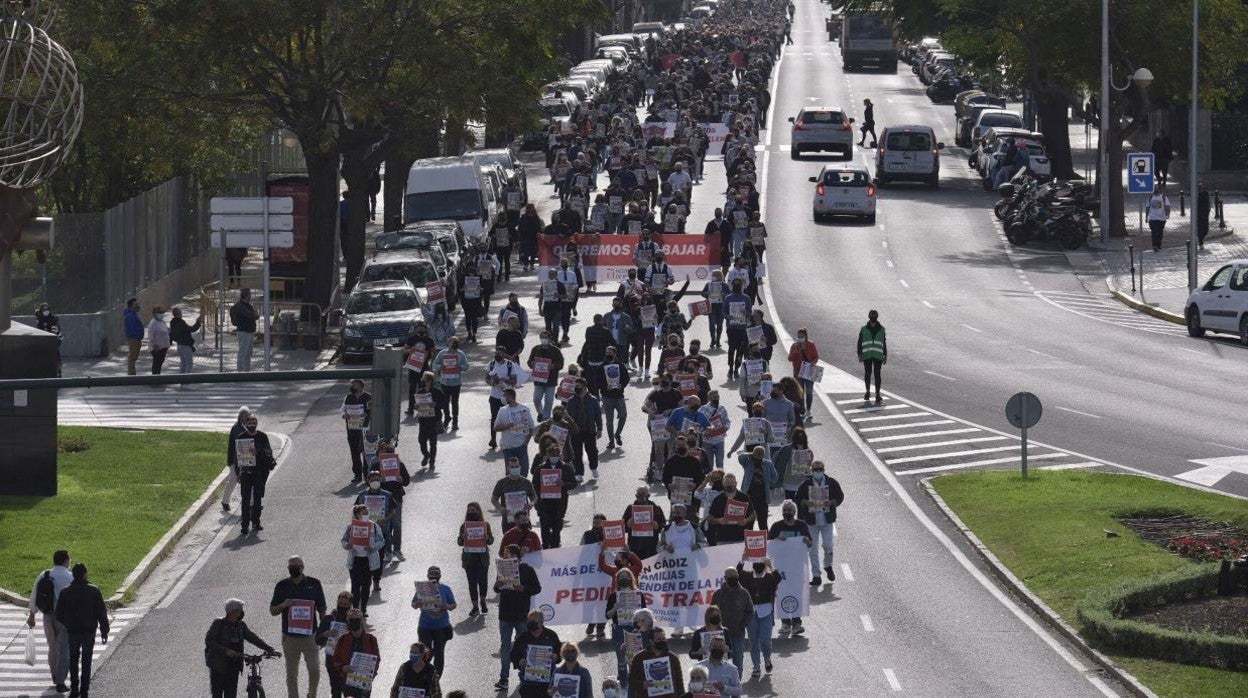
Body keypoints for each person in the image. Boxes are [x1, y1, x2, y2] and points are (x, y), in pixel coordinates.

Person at [269, 555, 327, 698]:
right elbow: (272, 610)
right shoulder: (282, 585)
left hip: (310, 636)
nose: (293, 569)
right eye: (290, 567)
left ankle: (311, 694)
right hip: (290, 637)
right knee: (291, 674)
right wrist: (284, 605)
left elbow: (322, 608)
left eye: (295, 566)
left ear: (302, 567)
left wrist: (323, 629)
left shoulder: (314, 583)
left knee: (314, 669)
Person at [205, 598, 278, 698]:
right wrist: (226, 651)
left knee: (231, 694)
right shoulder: (218, 623)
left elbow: (253, 638)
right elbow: (209, 641)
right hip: (219, 665)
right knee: (217, 693)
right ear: (232, 612)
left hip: (234, 664)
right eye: (239, 610)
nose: (241, 613)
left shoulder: (241, 625)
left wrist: (270, 649)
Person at [26, 550, 73, 694]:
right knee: (64, 649)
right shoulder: (69, 577)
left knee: (52, 647)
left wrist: (32, 616)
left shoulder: (45, 575)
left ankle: (54, 675)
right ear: (66, 561)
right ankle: (60, 682)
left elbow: (34, 595)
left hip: (47, 616)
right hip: (64, 619)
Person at [795, 460, 845, 586]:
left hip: (827, 520)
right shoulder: (806, 484)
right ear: (812, 470)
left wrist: (832, 502)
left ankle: (828, 566)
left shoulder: (831, 482)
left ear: (823, 469)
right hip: (812, 521)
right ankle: (816, 575)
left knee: (828, 546)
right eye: (815, 469)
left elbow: (840, 496)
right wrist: (806, 503)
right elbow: (798, 498)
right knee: (812, 548)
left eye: (820, 469)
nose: (818, 472)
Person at [768, 500, 812, 637]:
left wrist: (806, 541)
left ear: (794, 512)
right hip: (781, 568)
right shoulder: (776, 526)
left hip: (798, 566)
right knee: (781, 593)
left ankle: (797, 622)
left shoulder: (802, 525)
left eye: (790, 510)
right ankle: (785, 622)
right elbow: (769, 546)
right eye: (785, 510)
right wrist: (777, 541)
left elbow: (809, 543)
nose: (787, 512)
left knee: (797, 593)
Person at [737, 557, 780, 679]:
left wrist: (771, 565)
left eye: (761, 564)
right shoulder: (747, 576)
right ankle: (756, 665)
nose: (758, 566)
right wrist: (743, 559)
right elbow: (737, 573)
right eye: (756, 564)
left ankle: (767, 659)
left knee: (765, 640)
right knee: (753, 641)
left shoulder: (770, 577)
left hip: (766, 612)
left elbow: (779, 578)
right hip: (751, 613)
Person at [340, 504, 386, 617]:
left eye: (367, 513)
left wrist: (373, 547)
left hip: (368, 560)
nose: (366, 515)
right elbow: (344, 540)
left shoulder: (374, 526)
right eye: (363, 513)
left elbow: (382, 541)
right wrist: (347, 545)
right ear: (357, 514)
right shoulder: (351, 526)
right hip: (355, 559)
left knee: (366, 585)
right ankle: (355, 610)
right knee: (355, 586)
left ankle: (363, 609)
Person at [235, 412, 277, 535]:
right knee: (246, 500)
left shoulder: (262, 436)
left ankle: (256, 522)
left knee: (258, 499)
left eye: (253, 423)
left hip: (259, 472)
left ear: (257, 424)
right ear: (245, 424)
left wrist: (257, 450)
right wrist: (238, 472)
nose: (251, 425)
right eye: (249, 423)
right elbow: (236, 457)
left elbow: (268, 451)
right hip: (246, 473)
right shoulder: (241, 437)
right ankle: (244, 525)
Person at [413, 566, 457, 676]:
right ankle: (423, 676)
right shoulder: (422, 589)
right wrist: (418, 604)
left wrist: (445, 606)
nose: (434, 578)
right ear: (427, 577)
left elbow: (453, 605)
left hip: (441, 627)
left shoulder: (445, 589)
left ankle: (436, 678)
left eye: (436, 576)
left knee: (439, 654)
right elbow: (413, 604)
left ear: (440, 577)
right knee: (425, 653)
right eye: (431, 576)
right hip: (425, 627)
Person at [532, 442, 578, 547]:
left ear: (560, 455)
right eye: (552, 455)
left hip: (559, 503)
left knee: (557, 527)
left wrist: (563, 484)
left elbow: (574, 483)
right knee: (545, 526)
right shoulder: (540, 468)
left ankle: (555, 545)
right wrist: (540, 495)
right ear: (547, 455)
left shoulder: (566, 467)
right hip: (544, 503)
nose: (554, 457)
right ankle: (545, 545)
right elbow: (534, 486)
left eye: (556, 455)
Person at [372, 440, 411, 560]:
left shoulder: (400, 464)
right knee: (385, 526)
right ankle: (388, 551)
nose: (387, 454)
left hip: (396, 497)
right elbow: (370, 483)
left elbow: (407, 481)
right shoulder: (375, 466)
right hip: (382, 499)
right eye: (385, 451)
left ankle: (397, 550)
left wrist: (401, 479)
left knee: (397, 524)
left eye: (390, 452)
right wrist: (379, 481)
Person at [510, 609, 562, 698]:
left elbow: (560, 652)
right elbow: (513, 654)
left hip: (548, 682)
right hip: (528, 683)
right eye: (529, 621)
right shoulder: (523, 637)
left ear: (541, 622)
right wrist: (519, 661)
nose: (530, 624)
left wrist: (556, 656)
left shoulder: (551, 635)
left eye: (533, 622)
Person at [331, 608, 379, 698]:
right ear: (348, 621)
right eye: (351, 620)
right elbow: (336, 658)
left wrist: (372, 674)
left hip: (364, 681)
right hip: (347, 681)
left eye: (357, 620)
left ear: (361, 621)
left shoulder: (371, 639)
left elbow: (376, 659)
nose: (354, 622)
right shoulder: (342, 639)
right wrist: (342, 668)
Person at [457, 502, 495, 617]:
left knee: (483, 582)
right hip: (469, 559)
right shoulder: (464, 526)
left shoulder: (485, 525)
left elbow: (491, 541)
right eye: (469, 510)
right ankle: (475, 606)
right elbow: (459, 542)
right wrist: (462, 537)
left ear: (478, 511)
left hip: (482, 558)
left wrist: (487, 537)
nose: (471, 512)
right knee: (472, 583)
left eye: (473, 510)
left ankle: (483, 601)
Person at [315, 591, 353, 698]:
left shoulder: (353, 620)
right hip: (331, 660)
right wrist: (324, 634)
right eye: (340, 603)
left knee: (348, 690)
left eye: (345, 605)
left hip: (347, 660)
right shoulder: (328, 619)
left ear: (350, 605)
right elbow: (316, 640)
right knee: (335, 690)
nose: (342, 606)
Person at [628, 627, 684, 698]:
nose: (662, 641)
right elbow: (631, 680)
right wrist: (642, 684)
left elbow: (679, 682)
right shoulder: (639, 658)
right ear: (651, 641)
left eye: (663, 639)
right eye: (658, 640)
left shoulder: (673, 658)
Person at [493, 387, 535, 475]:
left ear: (511, 396)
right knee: (510, 474)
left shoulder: (524, 409)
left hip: (521, 446)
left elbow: (531, 427)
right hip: (508, 447)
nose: (502, 397)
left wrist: (526, 443)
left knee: (523, 473)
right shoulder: (502, 410)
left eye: (504, 395)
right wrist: (506, 426)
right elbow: (495, 428)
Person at [486, 348, 522, 449]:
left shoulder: (510, 365)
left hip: (507, 396)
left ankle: (510, 440)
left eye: (499, 353)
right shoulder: (491, 364)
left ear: (503, 354)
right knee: (494, 418)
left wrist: (505, 380)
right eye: (496, 352)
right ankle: (493, 439)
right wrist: (491, 382)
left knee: (509, 418)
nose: (497, 354)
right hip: (494, 396)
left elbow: (514, 380)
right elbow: (487, 378)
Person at [527, 329, 565, 421]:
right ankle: (540, 412)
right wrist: (532, 364)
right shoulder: (535, 349)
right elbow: (529, 361)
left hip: (550, 380)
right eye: (542, 337)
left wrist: (554, 366)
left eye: (545, 337)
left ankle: (545, 418)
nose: (544, 339)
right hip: (539, 380)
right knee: (536, 399)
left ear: (549, 338)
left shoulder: (555, 350)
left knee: (549, 401)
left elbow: (561, 364)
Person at [432, 337, 469, 431]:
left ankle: (455, 422)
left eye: (455, 342)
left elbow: (466, 366)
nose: (453, 344)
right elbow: (434, 365)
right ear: (448, 343)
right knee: (445, 402)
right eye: (451, 342)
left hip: (456, 382)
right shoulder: (442, 353)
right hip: (444, 382)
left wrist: (459, 366)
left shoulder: (460, 354)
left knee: (454, 403)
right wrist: (441, 367)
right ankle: (447, 417)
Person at [738, 446, 779, 531]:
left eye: (761, 454)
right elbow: (740, 457)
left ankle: (765, 540)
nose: (759, 456)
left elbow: (775, 478)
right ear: (753, 454)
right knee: (749, 522)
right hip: (749, 495)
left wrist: (767, 481)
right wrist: (750, 454)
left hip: (763, 496)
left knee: (763, 522)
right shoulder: (748, 462)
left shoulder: (768, 464)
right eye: (757, 454)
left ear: (763, 455)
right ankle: (747, 540)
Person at [707, 473, 755, 544]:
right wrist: (718, 520)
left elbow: (753, 514)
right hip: (722, 538)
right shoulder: (718, 499)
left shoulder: (744, 497)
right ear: (723, 483)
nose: (729, 485)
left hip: (741, 538)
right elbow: (709, 518)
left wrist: (746, 520)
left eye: (732, 482)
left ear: (736, 483)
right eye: (727, 483)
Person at [491, 457, 536, 531]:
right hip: (508, 519)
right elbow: (494, 499)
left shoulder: (526, 482)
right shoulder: (502, 483)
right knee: (509, 541)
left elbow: (533, 496)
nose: (514, 469)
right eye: (512, 467)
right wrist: (500, 507)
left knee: (526, 541)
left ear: (520, 467)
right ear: (508, 468)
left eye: (516, 467)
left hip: (524, 519)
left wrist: (531, 503)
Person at [342, 379, 373, 483]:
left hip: (364, 429)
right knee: (354, 451)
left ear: (360, 385)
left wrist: (363, 415)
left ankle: (366, 474)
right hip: (351, 428)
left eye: (354, 383)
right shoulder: (348, 397)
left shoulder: (368, 397)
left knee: (365, 451)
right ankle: (357, 474)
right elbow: (343, 411)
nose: (352, 385)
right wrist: (345, 415)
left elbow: (371, 412)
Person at [222, 406, 251, 512]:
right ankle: (225, 501)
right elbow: (240, 444)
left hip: (244, 459)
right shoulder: (237, 428)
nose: (248, 417)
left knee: (247, 481)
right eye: (247, 415)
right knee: (233, 480)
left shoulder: (244, 425)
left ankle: (249, 503)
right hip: (235, 460)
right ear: (242, 416)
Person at [856, 309, 887, 405]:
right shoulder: (864, 329)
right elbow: (859, 342)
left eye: (874, 317)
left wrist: (885, 354)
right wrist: (860, 354)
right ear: (869, 318)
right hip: (867, 354)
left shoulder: (882, 329)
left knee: (877, 375)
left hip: (877, 355)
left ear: (876, 318)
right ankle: (868, 391)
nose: (873, 319)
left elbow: (884, 342)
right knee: (868, 373)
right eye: (872, 317)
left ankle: (877, 394)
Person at [787, 327, 818, 418]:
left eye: (802, 336)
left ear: (805, 336)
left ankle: (808, 410)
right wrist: (796, 352)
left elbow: (816, 356)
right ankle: (802, 410)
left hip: (808, 371)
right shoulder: (794, 346)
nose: (800, 338)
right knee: (800, 392)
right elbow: (790, 358)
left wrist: (813, 363)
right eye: (798, 336)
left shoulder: (811, 344)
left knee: (809, 391)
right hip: (798, 371)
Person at [230, 288, 258, 372]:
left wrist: (254, 315)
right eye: (249, 295)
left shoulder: (247, 305)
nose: (250, 297)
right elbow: (250, 316)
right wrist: (255, 314)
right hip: (244, 331)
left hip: (248, 331)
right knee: (243, 352)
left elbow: (253, 316)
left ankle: (246, 370)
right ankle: (241, 370)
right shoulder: (241, 306)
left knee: (248, 353)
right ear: (246, 296)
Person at [169, 307, 203, 374]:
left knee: (183, 363)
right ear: (179, 313)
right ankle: (187, 380)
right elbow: (192, 329)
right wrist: (198, 322)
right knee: (189, 364)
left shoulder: (172, 322)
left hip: (179, 345)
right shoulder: (181, 322)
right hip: (185, 345)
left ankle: (182, 379)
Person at [1146, 184, 1172, 252]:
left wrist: (1168, 214)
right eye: (1155, 188)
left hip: (1161, 218)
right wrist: (1146, 216)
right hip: (1152, 218)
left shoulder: (1164, 197)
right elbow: (1147, 207)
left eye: (1157, 188)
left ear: (1160, 190)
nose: (1156, 190)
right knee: (1154, 232)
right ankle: (1154, 245)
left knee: (1160, 232)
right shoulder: (1150, 197)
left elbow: (1167, 206)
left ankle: (1159, 244)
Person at [147, 305, 171, 375]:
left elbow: (165, 331)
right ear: (155, 314)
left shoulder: (162, 322)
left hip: (164, 346)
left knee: (160, 363)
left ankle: (158, 378)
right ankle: (155, 380)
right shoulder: (153, 323)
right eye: (160, 312)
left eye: (163, 312)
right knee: (156, 364)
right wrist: (154, 345)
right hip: (157, 347)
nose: (162, 314)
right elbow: (151, 336)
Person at [123, 297, 144, 376]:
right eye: (136, 304)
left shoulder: (133, 314)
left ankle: (132, 374)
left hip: (135, 339)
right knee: (132, 358)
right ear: (131, 306)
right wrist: (138, 336)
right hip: (134, 339)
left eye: (137, 304)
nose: (138, 306)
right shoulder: (130, 316)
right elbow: (133, 329)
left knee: (132, 358)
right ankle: (132, 375)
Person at [1197, 180, 1211, 249]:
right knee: (1200, 229)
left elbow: (1208, 202)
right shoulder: (1196, 194)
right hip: (1198, 214)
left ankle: (1201, 239)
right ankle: (1201, 242)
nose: (1200, 188)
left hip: (1205, 214)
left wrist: (1208, 210)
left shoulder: (1206, 193)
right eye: (1199, 186)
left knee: (1206, 230)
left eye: (1201, 186)